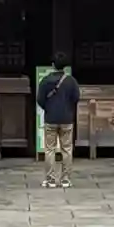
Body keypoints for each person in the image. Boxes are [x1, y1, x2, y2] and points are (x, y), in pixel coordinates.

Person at [37, 54, 80, 188]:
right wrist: (68, 108)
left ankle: (50, 179)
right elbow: (76, 98)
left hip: (51, 118)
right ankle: (65, 179)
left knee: (50, 149)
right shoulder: (71, 81)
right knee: (66, 149)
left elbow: (40, 99)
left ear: (53, 65)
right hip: (67, 119)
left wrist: (48, 108)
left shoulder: (45, 80)